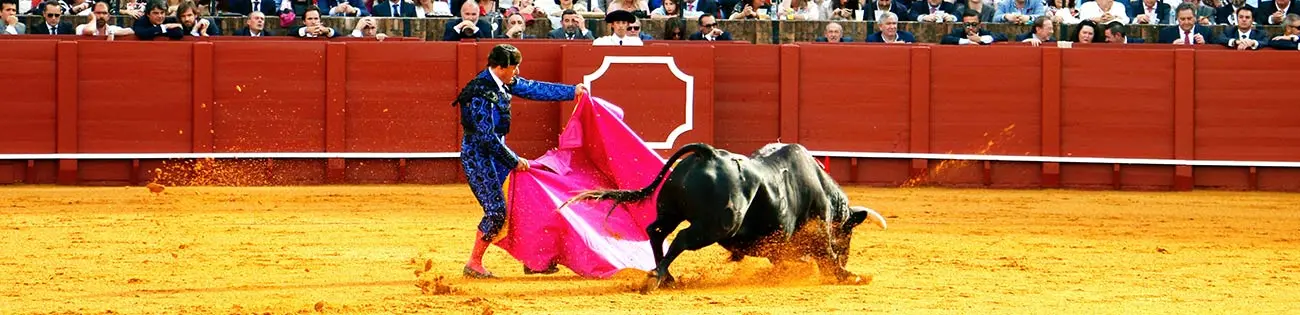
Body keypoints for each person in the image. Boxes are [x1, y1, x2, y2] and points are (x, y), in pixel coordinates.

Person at [454, 44, 587, 279]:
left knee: (523, 201)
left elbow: (532, 88)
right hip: (479, 157)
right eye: (514, 67)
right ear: (500, 67)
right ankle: (474, 263)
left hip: (496, 154)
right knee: (496, 212)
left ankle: (533, 259)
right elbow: (486, 138)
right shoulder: (480, 92)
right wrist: (513, 159)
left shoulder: (502, 82)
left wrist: (571, 92)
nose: (517, 72)